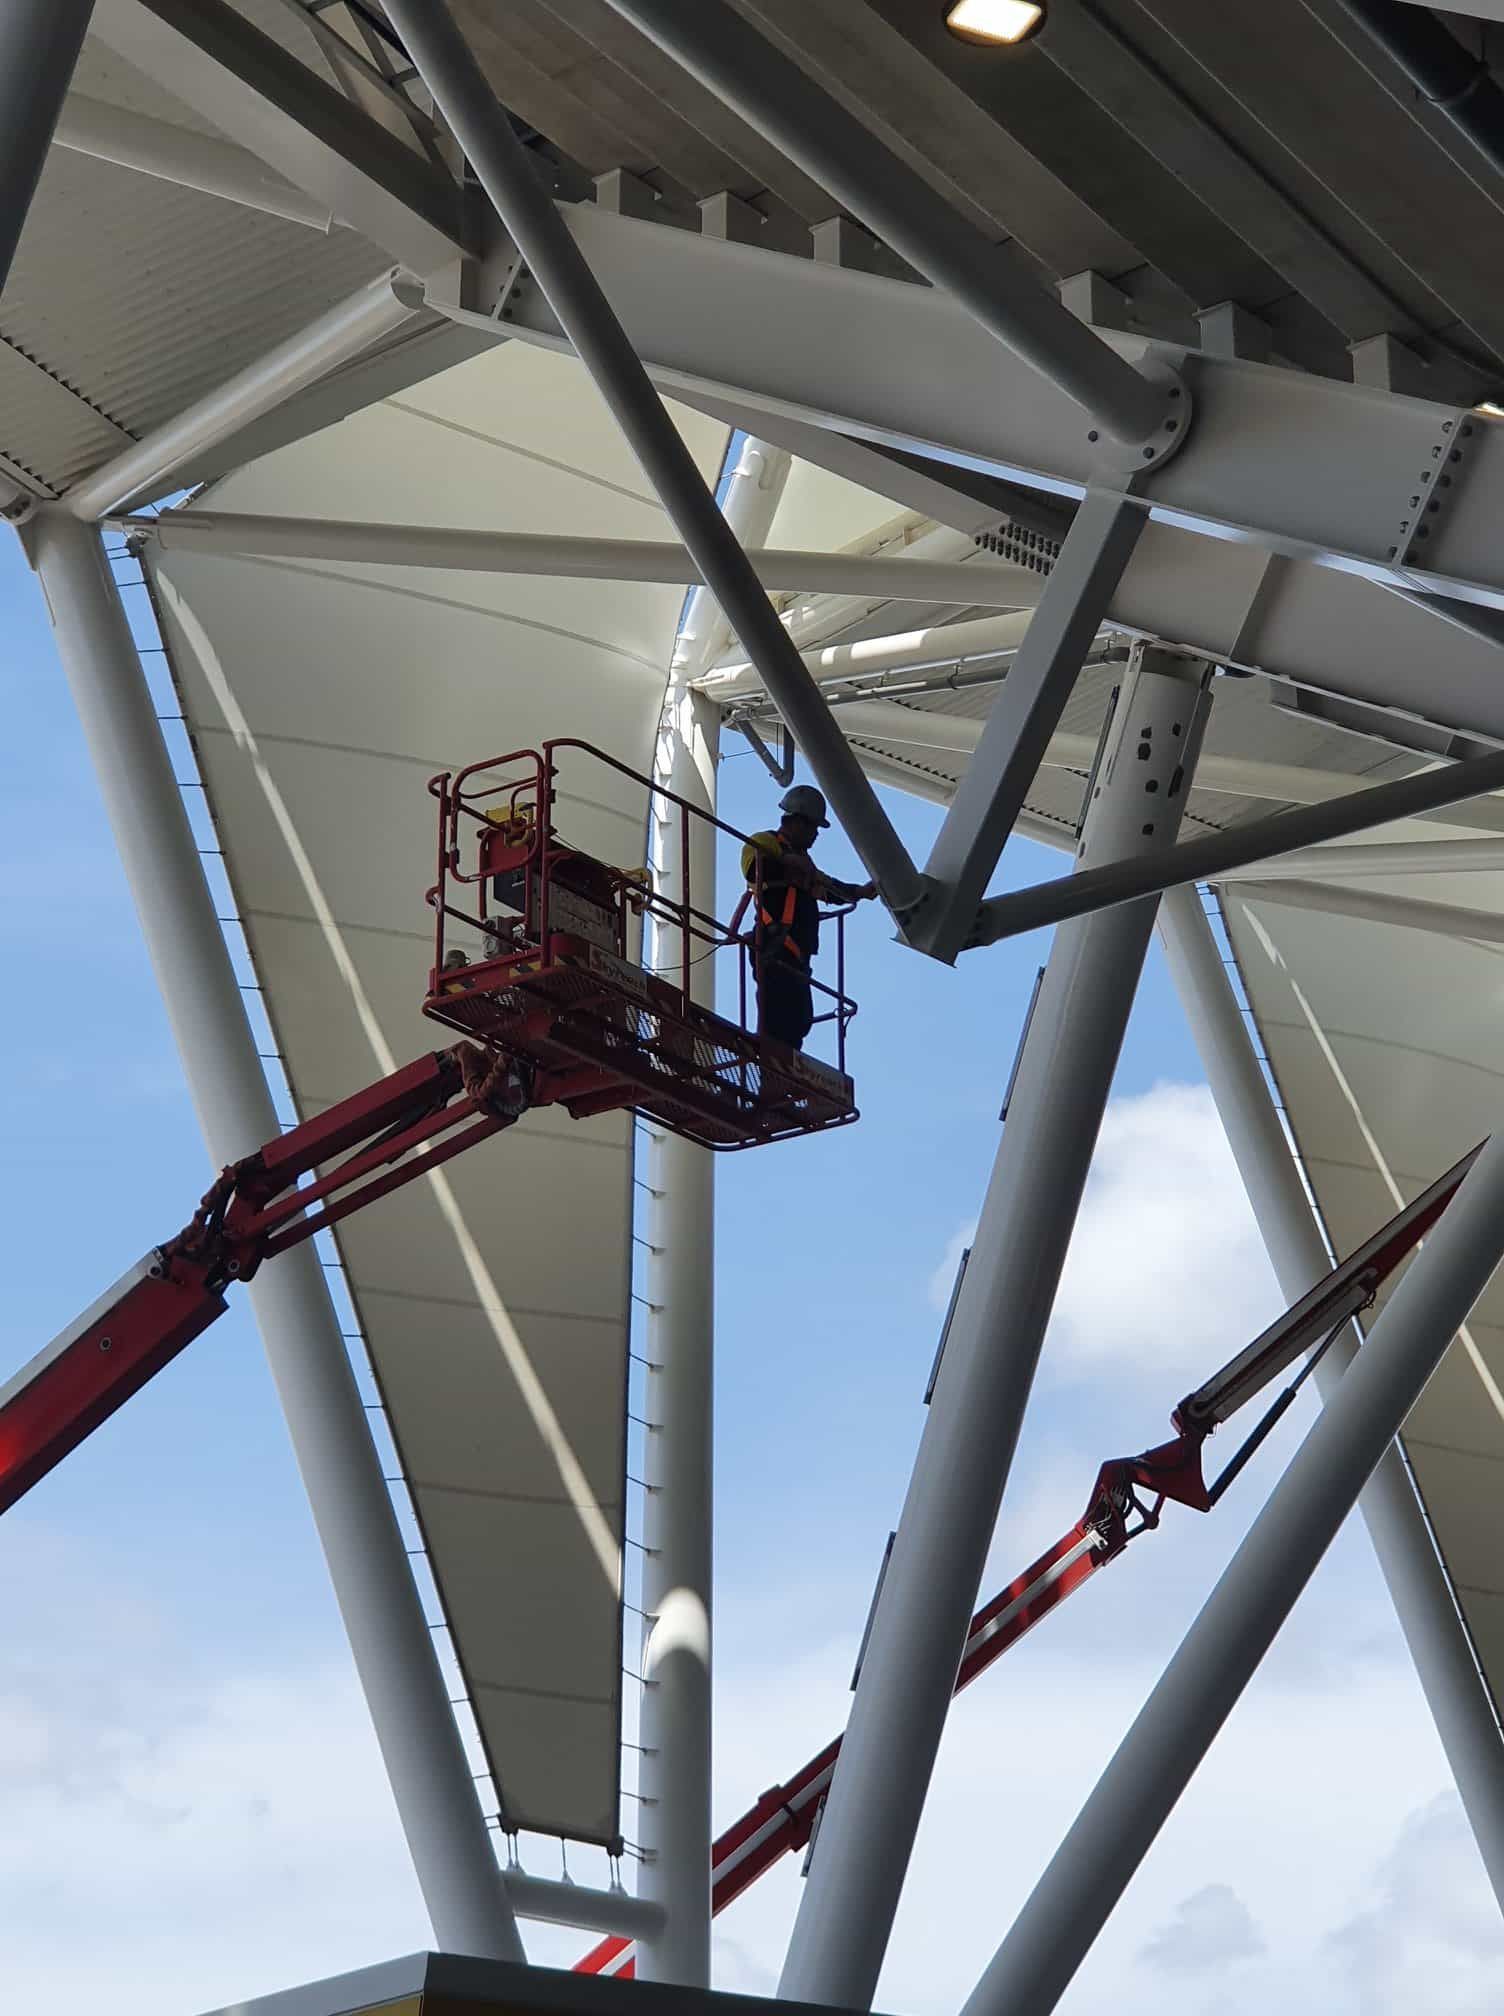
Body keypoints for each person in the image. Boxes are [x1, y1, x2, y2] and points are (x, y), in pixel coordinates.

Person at [741, 784, 877, 1051]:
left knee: (800, 1021)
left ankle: (784, 1073)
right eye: (812, 827)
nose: (816, 834)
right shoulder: (766, 842)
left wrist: (859, 892)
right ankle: (772, 1072)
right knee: (776, 1020)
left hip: (796, 957)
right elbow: (753, 868)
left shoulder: (807, 865)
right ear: (796, 822)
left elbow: (829, 888)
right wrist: (788, 865)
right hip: (774, 946)